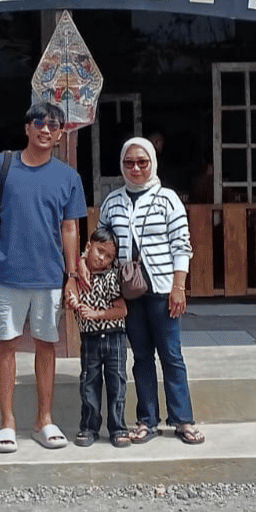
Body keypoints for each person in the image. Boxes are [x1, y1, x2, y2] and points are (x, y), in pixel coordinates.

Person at [0, 101, 87, 454]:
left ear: (61, 134)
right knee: (6, 344)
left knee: (47, 345)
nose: (46, 129)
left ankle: (43, 420)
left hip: (49, 275)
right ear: (26, 128)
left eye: (54, 125)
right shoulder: (0, 165)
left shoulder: (69, 177)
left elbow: (70, 228)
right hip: (6, 271)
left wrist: (71, 274)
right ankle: (7, 423)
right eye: (39, 122)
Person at [97, 136, 203, 445]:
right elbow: (104, 246)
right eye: (129, 163)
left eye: (142, 162)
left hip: (162, 289)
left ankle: (183, 419)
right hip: (129, 292)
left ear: (152, 163)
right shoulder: (112, 202)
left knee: (171, 354)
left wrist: (178, 287)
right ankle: (147, 420)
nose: (135, 169)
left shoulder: (167, 199)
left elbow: (182, 245)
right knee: (141, 356)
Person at [64, 224, 130, 448]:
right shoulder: (77, 278)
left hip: (114, 337)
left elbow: (122, 310)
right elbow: (70, 303)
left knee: (117, 383)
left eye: (108, 256)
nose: (102, 258)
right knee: (88, 383)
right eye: (99, 251)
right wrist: (73, 302)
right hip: (89, 338)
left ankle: (118, 427)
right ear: (88, 247)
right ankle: (89, 427)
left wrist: (96, 314)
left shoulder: (111, 277)